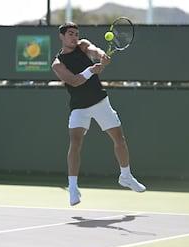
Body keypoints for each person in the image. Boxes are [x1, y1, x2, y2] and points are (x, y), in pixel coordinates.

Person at [51, 22, 146, 206]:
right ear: (62, 36)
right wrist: (91, 70)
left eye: (76, 33)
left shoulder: (83, 45)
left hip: (100, 102)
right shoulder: (57, 64)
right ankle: (72, 188)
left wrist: (102, 56)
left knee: (119, 139)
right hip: (79, 107)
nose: (74, 36)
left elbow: (95, 50)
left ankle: (125, 176)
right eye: (70, 33)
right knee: (75, 143)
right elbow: (73, 80)